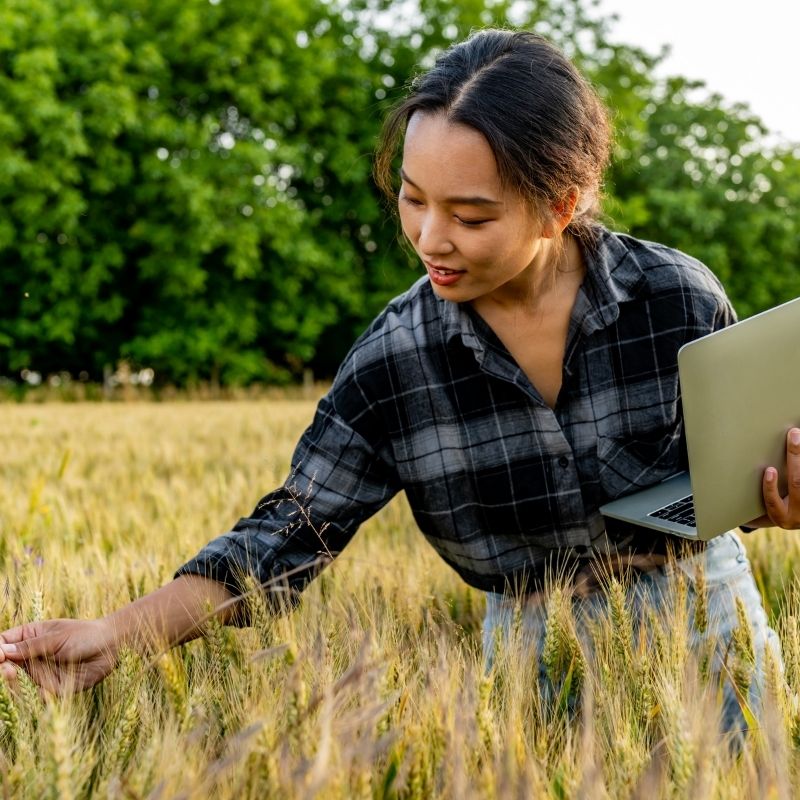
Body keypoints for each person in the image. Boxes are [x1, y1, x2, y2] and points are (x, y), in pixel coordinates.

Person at [2, 30, 798, 730]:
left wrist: (776, 499)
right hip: (531, 663)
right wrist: (115, 631)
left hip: (705, 626)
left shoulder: (676, 297)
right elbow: (289, 536)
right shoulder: (395, 359)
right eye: (413, 199)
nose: (429, 237)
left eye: (471, 215)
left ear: (562, 204)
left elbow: (726, 475)